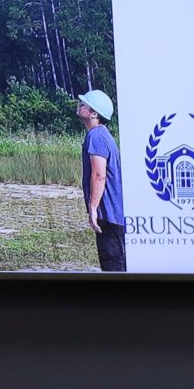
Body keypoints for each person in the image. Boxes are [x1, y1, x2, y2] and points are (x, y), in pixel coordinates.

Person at [76, 89, 124, 272]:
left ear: (94, 113)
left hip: (109, 216)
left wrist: (93, 209)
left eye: (83, 104)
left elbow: (98, 174)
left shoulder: (96, 136)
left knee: (114, 270)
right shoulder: (103, 134)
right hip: (114, 215)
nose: (79, 105)